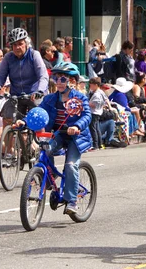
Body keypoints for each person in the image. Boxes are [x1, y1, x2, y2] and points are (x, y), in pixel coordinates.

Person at [23, 62, 92, 214]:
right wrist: (25, 121)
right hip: (59, 134)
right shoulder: (50, 99)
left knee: (71, 165)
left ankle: (72, 201)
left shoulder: (80, 98)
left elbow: (87, 115)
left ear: (72, 81)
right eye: (56, 78)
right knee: (45, 149)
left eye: (63, 79)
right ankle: (49, 176)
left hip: (76, 137)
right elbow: (39, 113)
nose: (58, 82)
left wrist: (77, 127)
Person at [0, 27, 49, 126]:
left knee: (38, 118)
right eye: (14, 45)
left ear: (26, 44)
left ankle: (40, 139)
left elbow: (43, 75)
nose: (17, 47)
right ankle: (7, 140)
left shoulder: (34, 55)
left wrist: (40, 91)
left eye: (20, 44)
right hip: (16, 96)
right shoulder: (8, 57)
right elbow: (0, 76)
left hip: (33, 94)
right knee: (7, 118)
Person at [88, 77, 107, 150]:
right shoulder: (101, 92)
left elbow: (94, 104)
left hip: (94, 112)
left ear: (96, 85)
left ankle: (95, 145)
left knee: (93, 129)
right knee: (97, 128)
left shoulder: (97, 94)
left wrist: (86, 103)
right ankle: (100, 144)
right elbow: (105, 100)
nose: (90, 87)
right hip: (99, 112)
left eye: (91, 85)